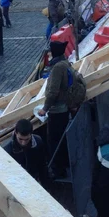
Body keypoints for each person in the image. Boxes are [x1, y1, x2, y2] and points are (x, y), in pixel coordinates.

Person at [37, 41, 70, 178]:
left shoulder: (57, 68)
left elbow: (52, 92)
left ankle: (58, 170)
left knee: (54, 141)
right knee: (61, 140)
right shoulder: (65, 63)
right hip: (64, 108)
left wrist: (45, 109)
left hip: (57, 110)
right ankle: (63, 164)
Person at [4, 119, 48, 184]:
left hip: (34, 179)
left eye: (27, 139)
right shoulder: (7, 150)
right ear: (16, 133)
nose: (23, 143)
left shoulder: (38, 141)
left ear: (31, 133)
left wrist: (45, 184)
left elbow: (42, 165)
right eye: (20, 139)